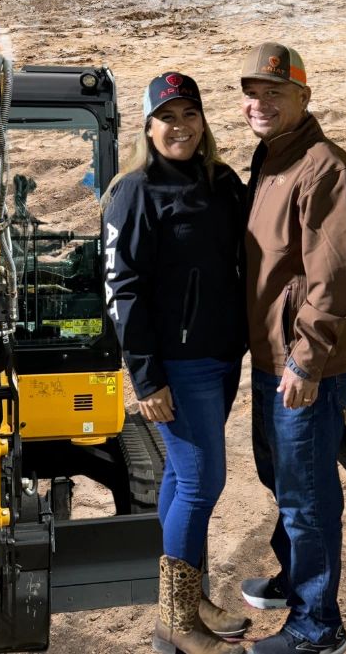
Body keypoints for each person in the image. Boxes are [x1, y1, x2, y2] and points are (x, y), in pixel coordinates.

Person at [102, 71, 251, 654]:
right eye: (168, 117)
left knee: (178, 478)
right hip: (178, 365)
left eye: (190, 114)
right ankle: (177, 622)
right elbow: (123, 289)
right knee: (200, 481)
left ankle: (183, 601)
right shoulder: (134, 192)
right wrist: (146, 374)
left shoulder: (221, 183)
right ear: (148, 126)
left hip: (220, 357)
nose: (180, 127)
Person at [236, 43, 346, 654]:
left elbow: (336, 278)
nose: (260, 103)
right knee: (279, 476)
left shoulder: (325, 169)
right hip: (271, 358)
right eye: (254, 93)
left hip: (303, 365)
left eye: (275, 93)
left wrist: (306, 360)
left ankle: (318, 627)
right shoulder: (270, 161)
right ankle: (297, 582)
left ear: (304, 98)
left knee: (306, 493)